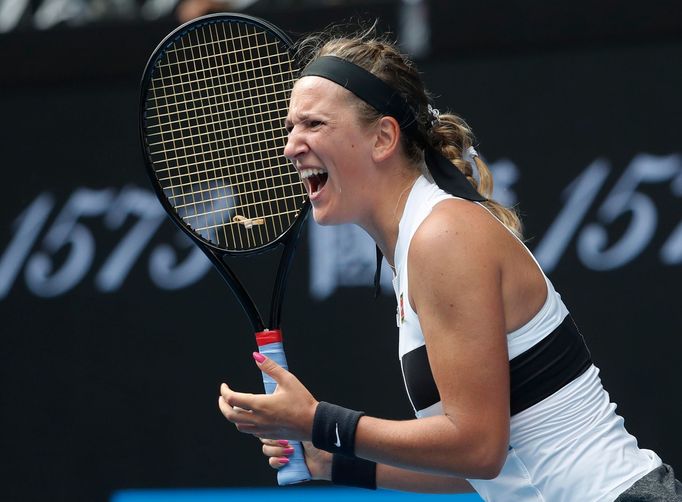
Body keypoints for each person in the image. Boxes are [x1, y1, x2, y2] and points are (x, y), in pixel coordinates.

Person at [217, 24, 682, 501]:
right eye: (290, 127)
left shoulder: (442, 236)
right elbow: (489, 468)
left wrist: (318, 421)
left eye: (313, 125)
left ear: (382, 138)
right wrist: (332, 461)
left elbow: (479, 449)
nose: (291, 145)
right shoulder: (419, 242)